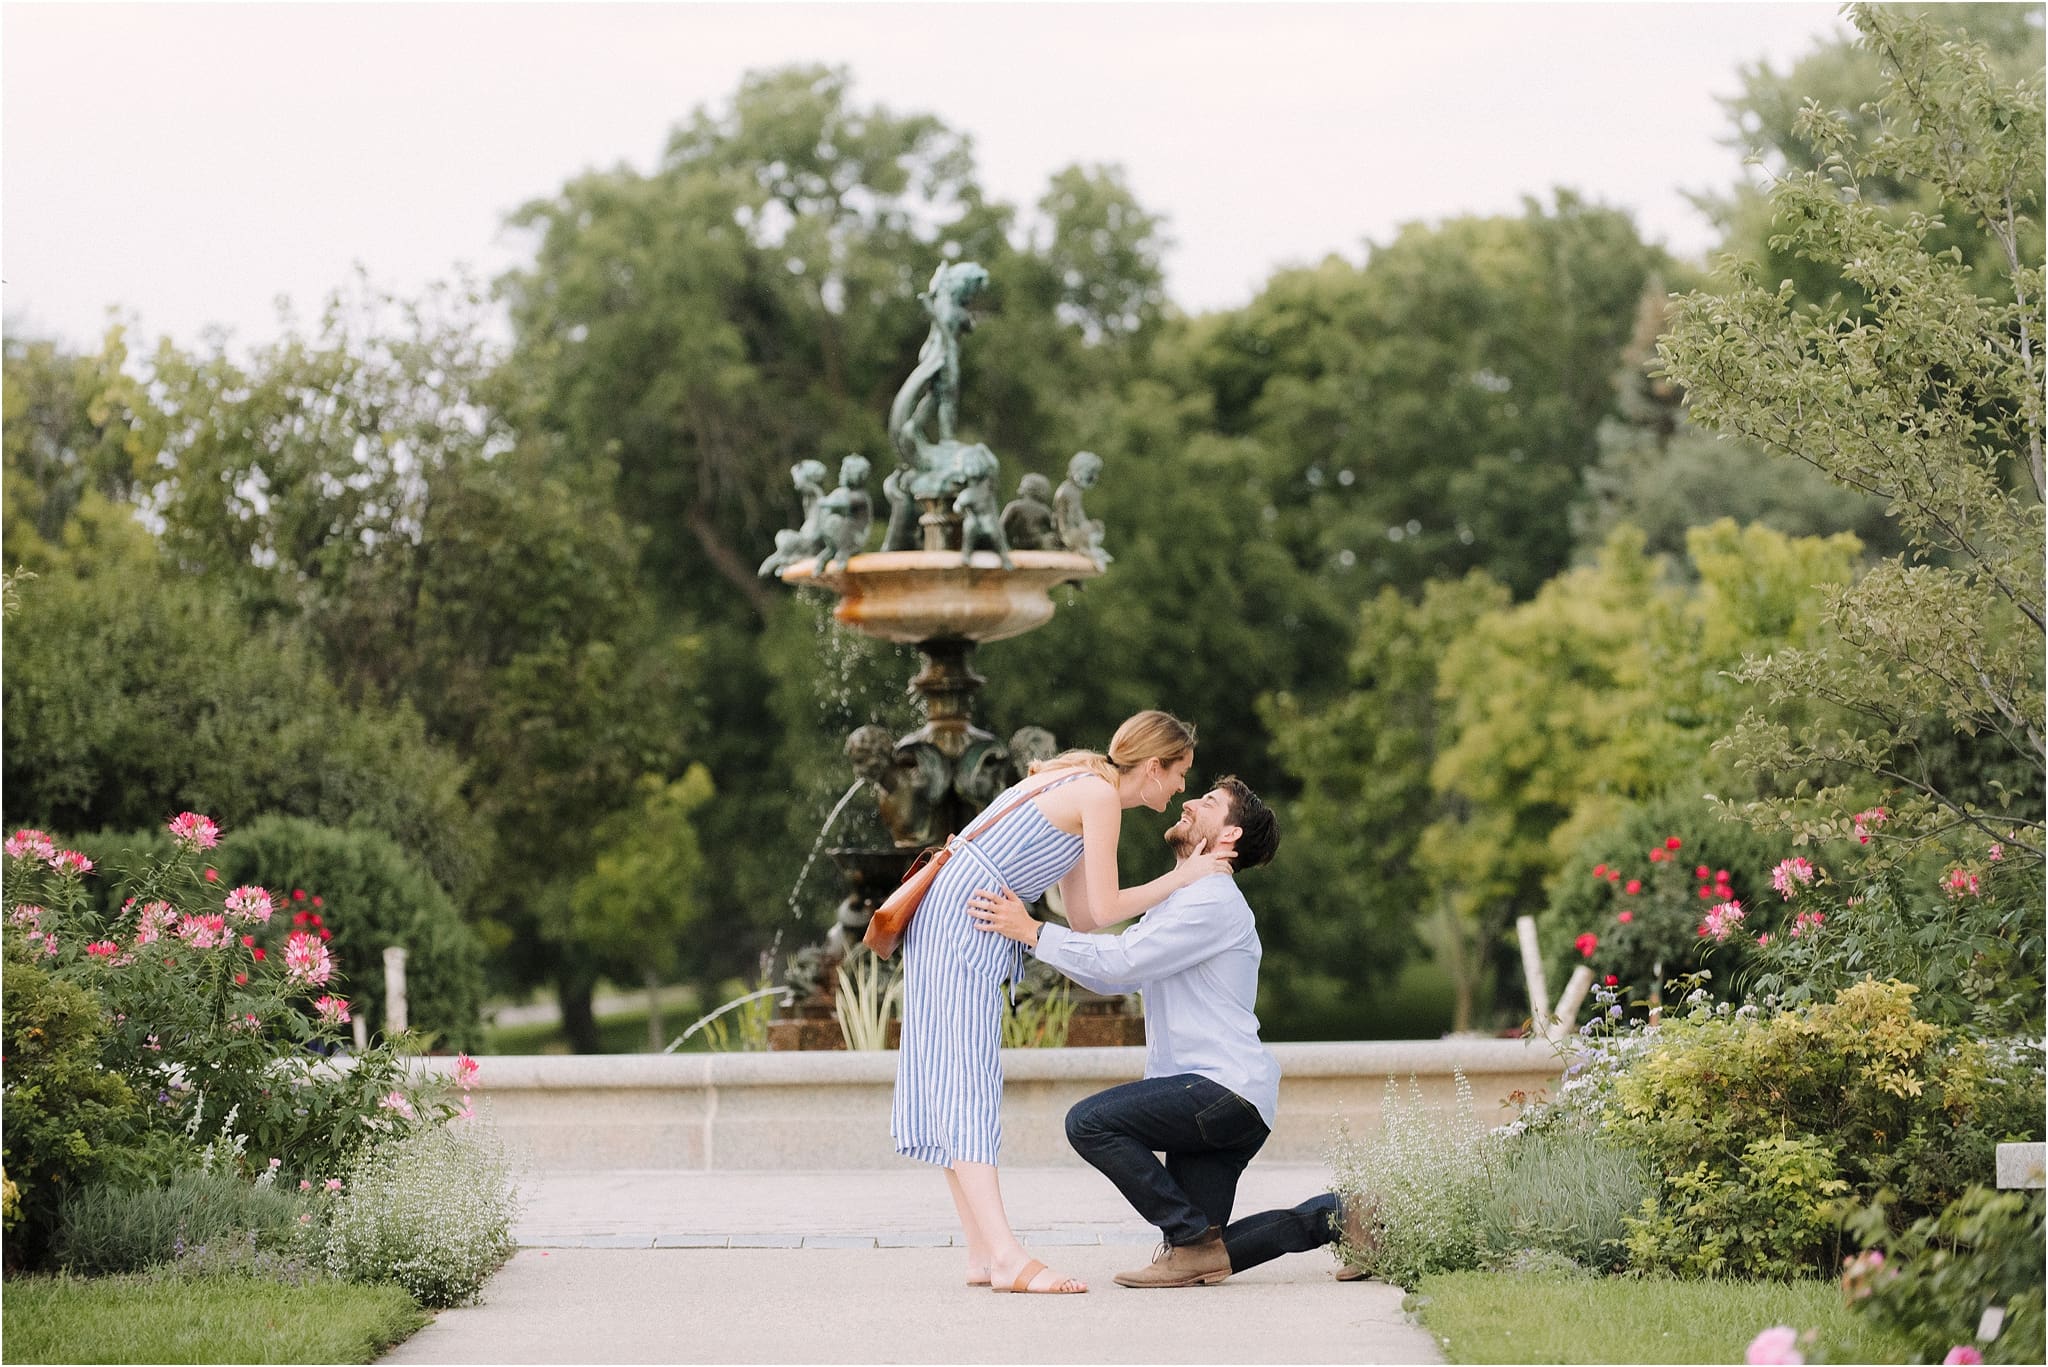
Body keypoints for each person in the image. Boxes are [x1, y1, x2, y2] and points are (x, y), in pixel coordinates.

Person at [967, 775, 1371, 1289]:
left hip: (1220, 1090)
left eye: (1207, 803)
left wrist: (1035, 930)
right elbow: (1116, 971)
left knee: (1089, 1123)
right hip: (1220, 1098)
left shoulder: (1212, 902)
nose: (1187, 802)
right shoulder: (1181, 900)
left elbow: (1123, 959)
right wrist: (1031, 939)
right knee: (1203, 1252)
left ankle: (1191, 1240)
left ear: (1228, 838)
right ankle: (1341, 1216)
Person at [892, 709, 1235, 1295]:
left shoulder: (1083, 781)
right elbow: (1104, 912)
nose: (1181, 789)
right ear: (1153, 768)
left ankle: (983, 1253)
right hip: (964, 924)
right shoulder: (1098, 796)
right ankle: (1005, 1257)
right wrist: (1186, 876)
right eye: (1180, 773)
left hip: (955, 919)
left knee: (952, 1080)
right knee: (967, 1082)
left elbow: (1080, 916)